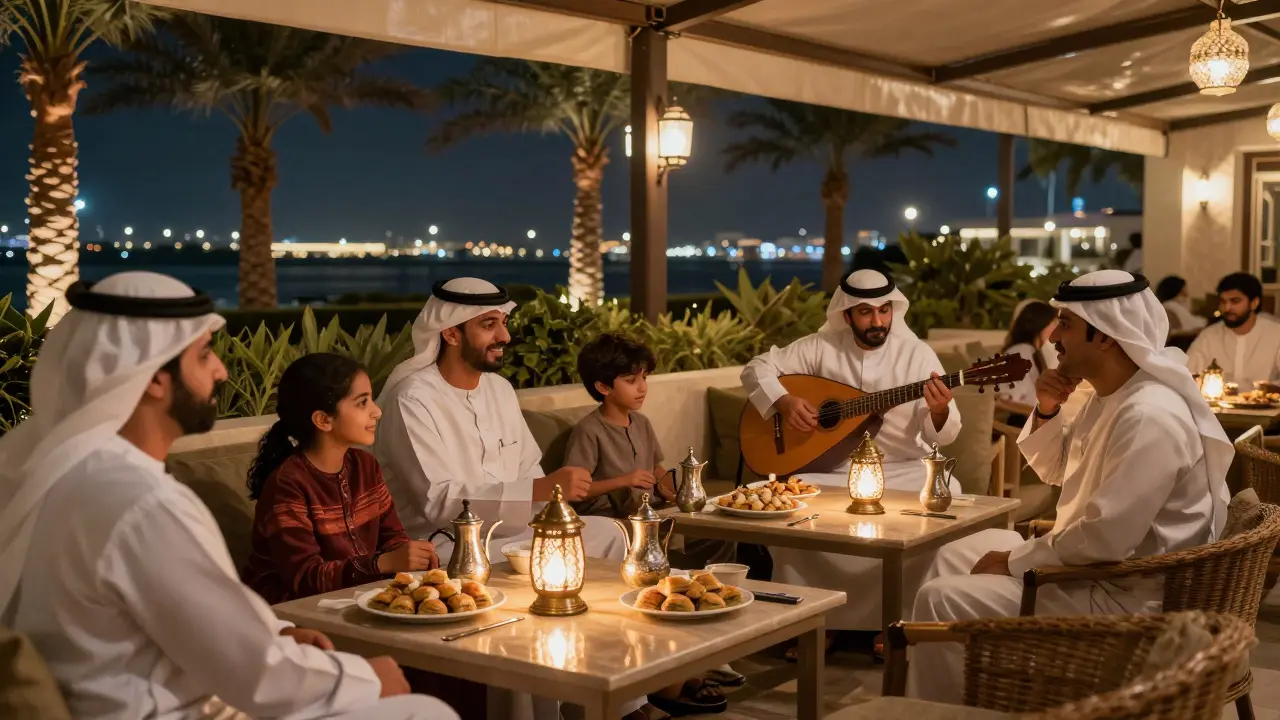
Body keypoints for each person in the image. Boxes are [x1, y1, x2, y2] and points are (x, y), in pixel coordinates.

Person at [0, 273, 455, 719]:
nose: (220, 370)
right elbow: (256, 673)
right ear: (155, 377)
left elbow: (198, 621)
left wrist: (276, 631)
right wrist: (366, 678)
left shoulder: (60, 474)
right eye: (204, 355)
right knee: (423, 710)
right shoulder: (143, 503)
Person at [909, 270, 1231, 705]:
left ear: (1107, 336)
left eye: (1066, 324)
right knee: (953, 553)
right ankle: (975, 684)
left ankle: (946, 708)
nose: (1054, 337)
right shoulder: (1111, 395)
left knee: (940, 599)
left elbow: (1104, 538)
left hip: (1122, 597)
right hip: (1094, 567)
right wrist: (1046, 409)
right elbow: (1058, 471)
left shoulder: (1149, 415)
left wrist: (1014, 560)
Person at [373, 278, 635, 720]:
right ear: (450, 333)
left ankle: (616, 702)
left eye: (504, 323)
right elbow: (440, 502)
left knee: (608, 535)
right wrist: (539, 490)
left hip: (518, 536)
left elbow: (530, 468)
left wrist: (547, 502)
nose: (505, 337)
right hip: (449, 548)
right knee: (536, 581)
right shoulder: (412, 399)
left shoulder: (499, 390)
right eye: (489, 325)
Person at [741, 268, 961, 650]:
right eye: (865, 312)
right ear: (846, 314)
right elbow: (755, 368)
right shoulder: (818, 347)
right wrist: (784, 401)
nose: (877, 321)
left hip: (902, 468)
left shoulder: (917, 354)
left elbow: (943, 433)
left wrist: (939, 410)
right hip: (831, 470)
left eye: (884, 311)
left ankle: (897, 619)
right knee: (790, 508)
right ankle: (819, 619)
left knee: (944, 497)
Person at [565, 333, 739, 714]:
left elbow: (658, 471)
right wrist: (624, 480)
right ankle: (672, 677)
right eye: (632, 380)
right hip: (611, 524)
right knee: (665, 571)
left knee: (720, 538)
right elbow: (576, 490)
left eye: (644, 377)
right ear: (603, 387)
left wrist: (673, 490)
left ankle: (709, 647)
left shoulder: (641, 423)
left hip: (653, 516)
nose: (642, 387)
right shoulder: (589, 431)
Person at [242, 353, 440, 605]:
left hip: (356, 599)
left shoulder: (365, 466)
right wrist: (382, 563)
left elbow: (392, 537)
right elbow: (305, 579)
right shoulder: (288, 483)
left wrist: (411, 556)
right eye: (362, 403)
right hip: (290, 612)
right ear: (323, 420)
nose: (377, 412)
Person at [1186, 272, 1280, 387]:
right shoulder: (1209, 336)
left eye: (1235, 301)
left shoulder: (1275, 334)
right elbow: (1186, 376)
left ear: (1254, 303)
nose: (1227, 308)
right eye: (1223, 301)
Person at [1000, 301, 1058, 411]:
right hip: (1022, 416)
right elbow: (1011, 399)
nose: (1057, 328)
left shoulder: (1028, 350)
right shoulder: (1022, 352)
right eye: (1054, 322)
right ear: (1041, 324)